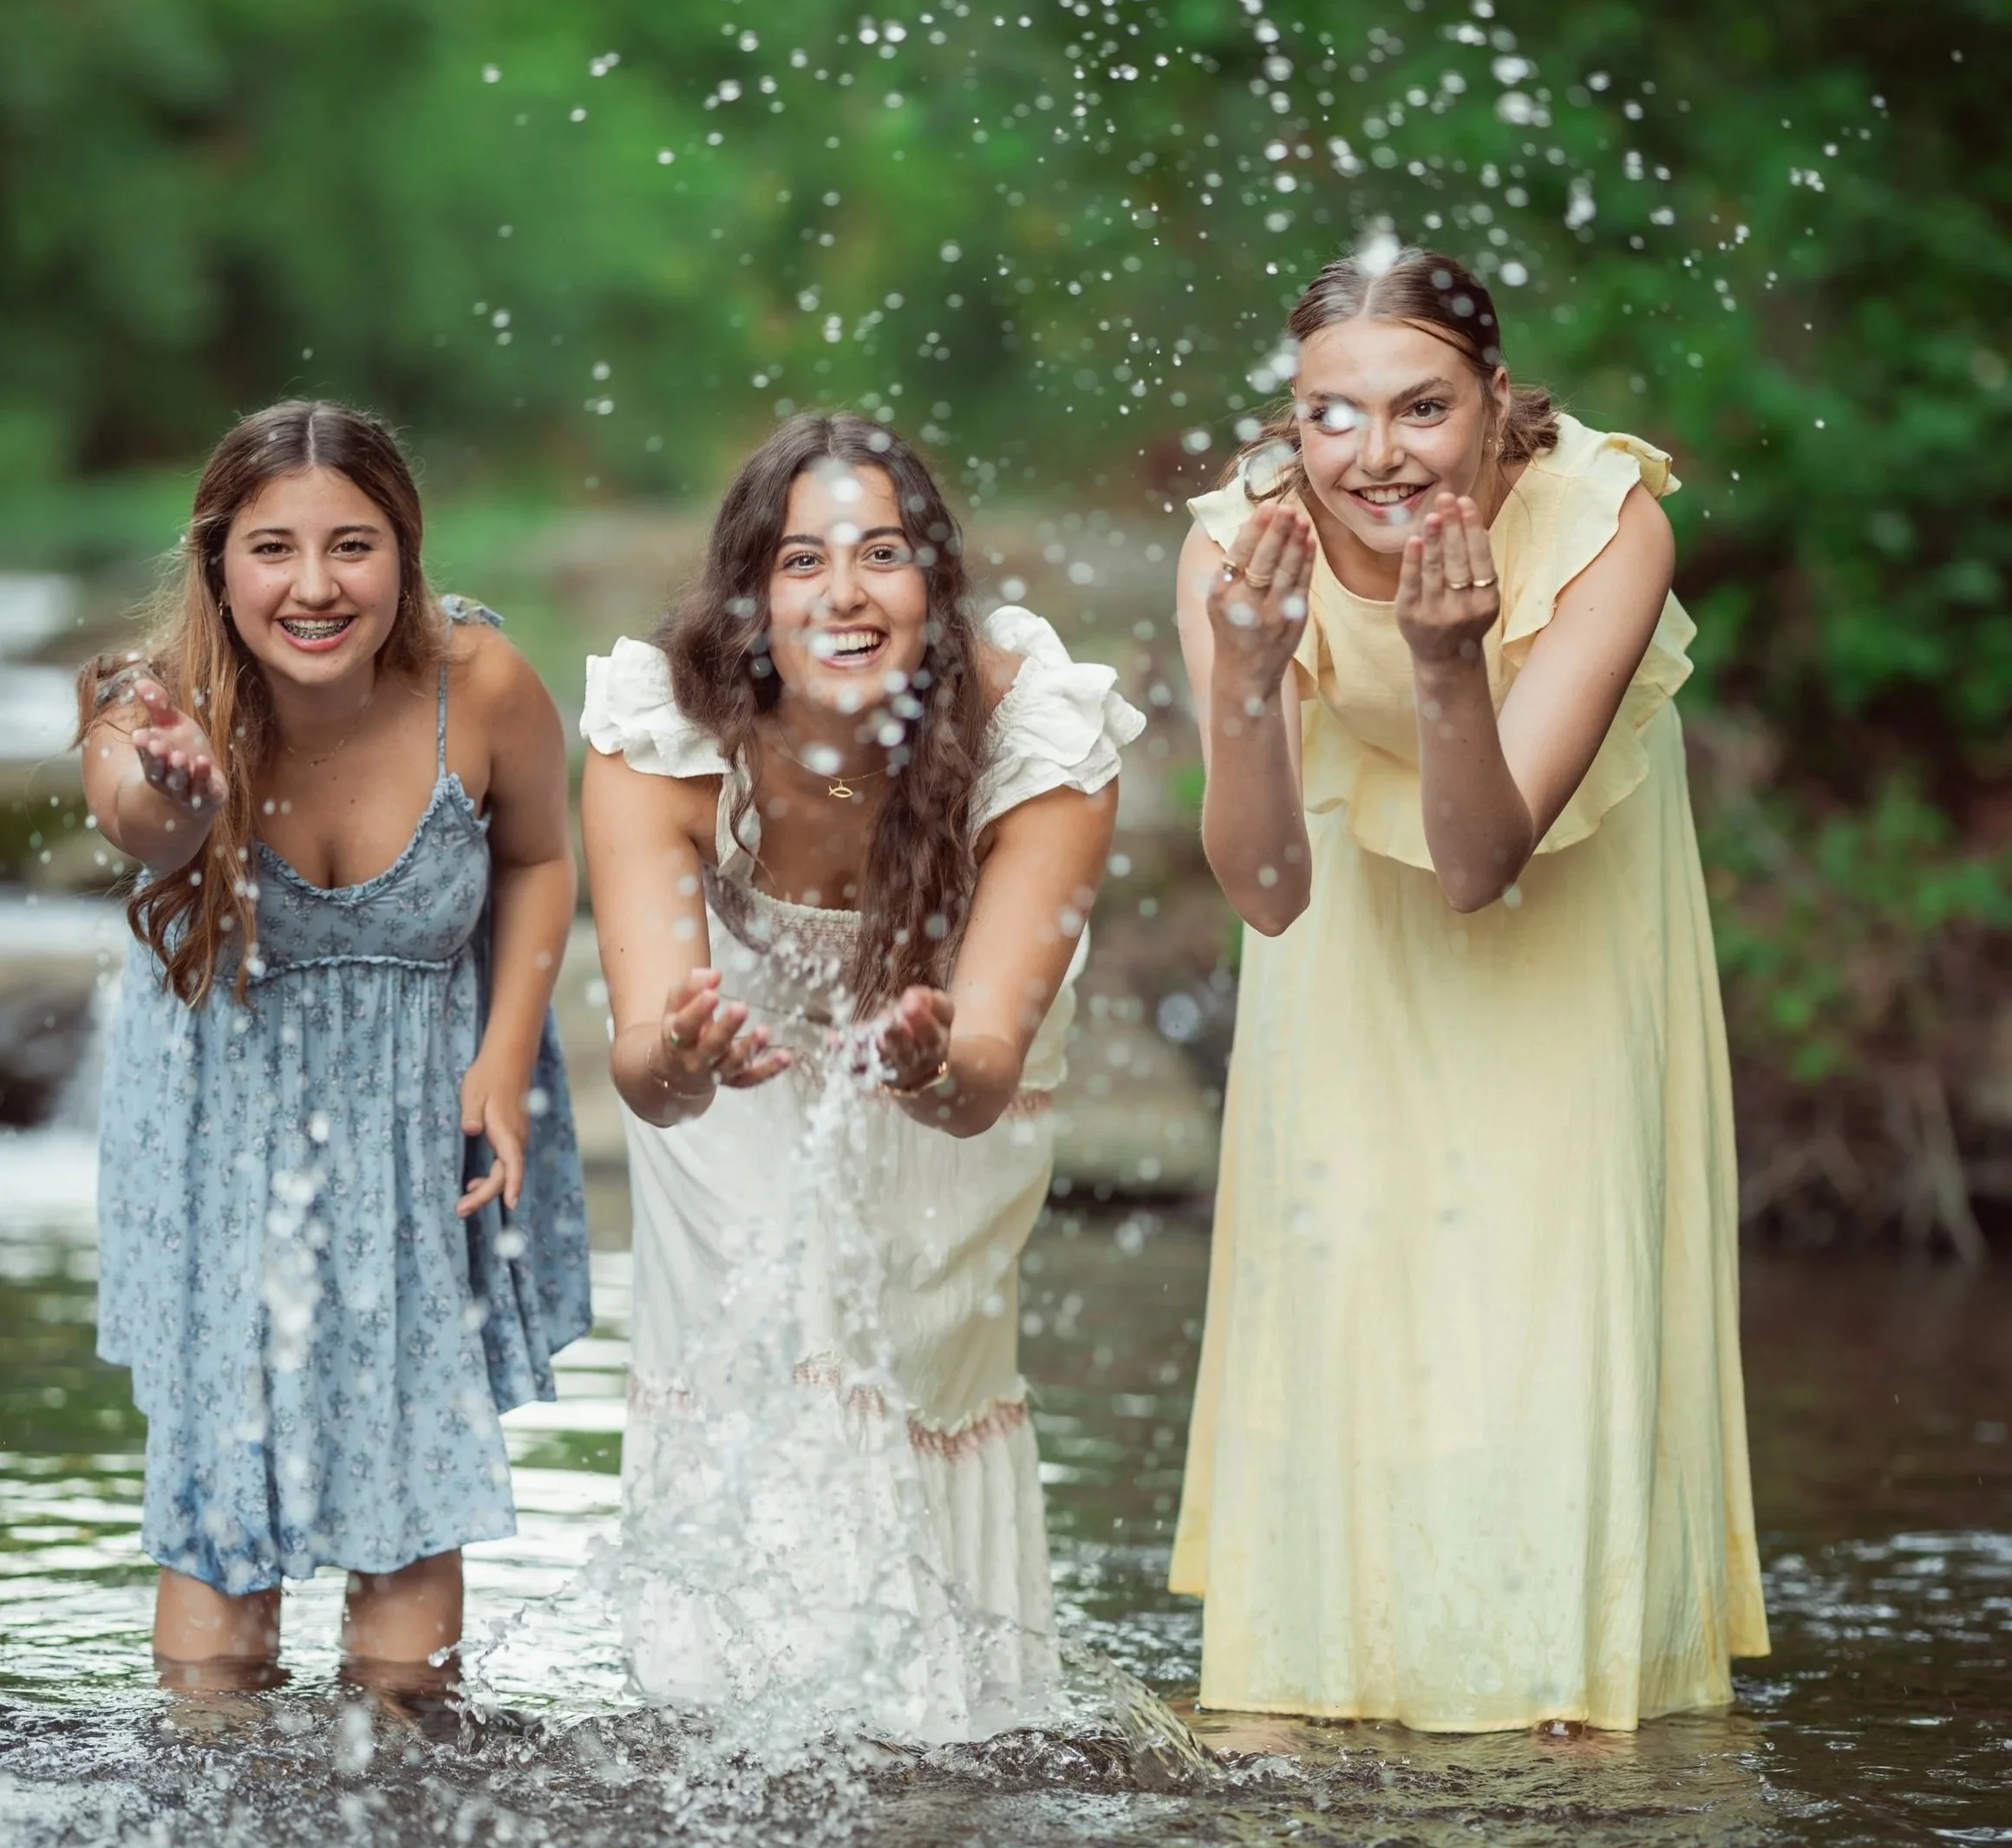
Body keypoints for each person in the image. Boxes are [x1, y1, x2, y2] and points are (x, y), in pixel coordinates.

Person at [1168, 248, 1770, 1733]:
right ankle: (1334, 1692)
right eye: (1333, 417)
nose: (1377, 455)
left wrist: (1445, 665)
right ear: (1290, 420)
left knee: (1550, 1307)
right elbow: (1263, 888)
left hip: (1561, 950)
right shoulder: (1237, 550)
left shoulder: (1603, 523)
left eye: (1422, 408)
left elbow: (1481, 865)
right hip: (1344, 966)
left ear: (1497, 405)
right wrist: (1249, 680)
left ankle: (1565, 1718)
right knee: (1353, 1290)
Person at [579, 413, 1142, 1740]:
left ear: (936, 588)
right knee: (789, 1336)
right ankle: (732, 1726)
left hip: (950, 1051)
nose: (844, 594)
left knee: (916, 1365)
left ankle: (944, 1733)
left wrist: (934, 1057)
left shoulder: (1036, 738)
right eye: (799, 562)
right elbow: (647, 1072)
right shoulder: (663, 732)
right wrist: (685, 1052)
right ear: (747, 599)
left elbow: (985, 1069)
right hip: (734, 1061)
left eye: (882, 554)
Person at [79, 400, 589, 1691]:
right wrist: (184, 798)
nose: (315, 586)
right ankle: (205, 1785)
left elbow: (538, 858)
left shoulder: (482, 686)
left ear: (406, 551)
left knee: (413, 1498)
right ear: (216, 562)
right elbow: (140, 828)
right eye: (273, 549)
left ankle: (407, 1790)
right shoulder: (152, 704)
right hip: (220, 1147)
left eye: (352, 545)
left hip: (420, 1128)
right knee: (220, 1521)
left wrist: (508, 1055)